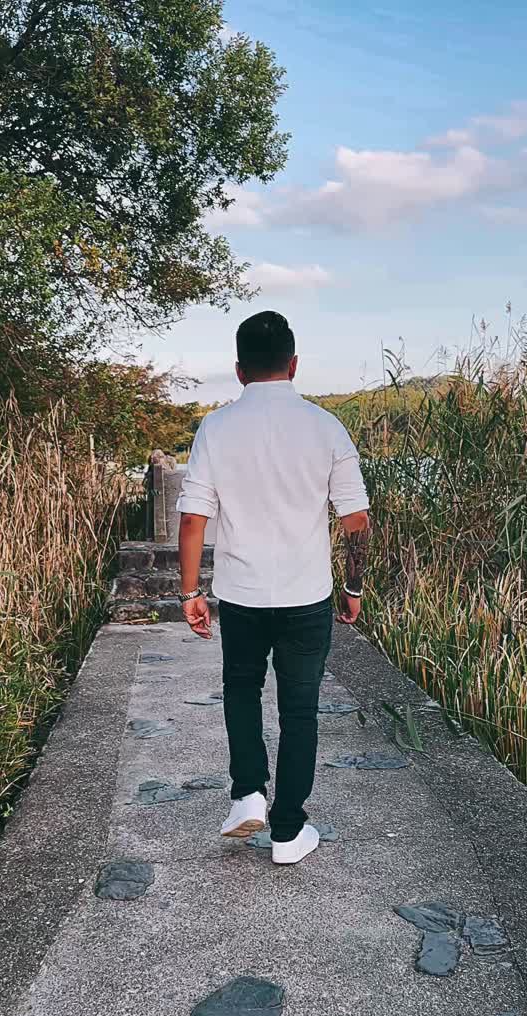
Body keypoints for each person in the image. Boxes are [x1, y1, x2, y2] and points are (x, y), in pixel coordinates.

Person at [176, 311, 370, 866]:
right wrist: (354, 586)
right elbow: (355, 518)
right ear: (294, 364)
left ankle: (247, 794)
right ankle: (287, 832)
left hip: (241, 594)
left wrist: (191, 592)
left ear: (238, 371)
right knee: (300, 710)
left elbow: (193, 518)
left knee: (240, 692)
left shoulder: (215, 427)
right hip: (307, 595)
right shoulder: (326, 426)